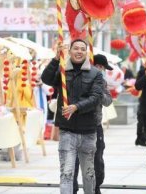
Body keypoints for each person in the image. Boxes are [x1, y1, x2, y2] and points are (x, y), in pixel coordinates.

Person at [41, 39, 104, 194]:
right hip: (67, 130)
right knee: (67, 173)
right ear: (69, 51)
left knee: (88, 175)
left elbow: (96, 97)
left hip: (89, 131)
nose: (79, 51)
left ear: (87, 52)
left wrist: (76, 107)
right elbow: (46, 79)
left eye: (83, 49)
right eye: (76, 48)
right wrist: (56, 58)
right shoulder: (62, 70)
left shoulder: (95, 73)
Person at [73, 54, 113, 194]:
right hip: (77, 125)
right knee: (75, 160)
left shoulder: (102, 82)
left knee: (97, 158)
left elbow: (108, 101)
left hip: (95, 125)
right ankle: (73, 188)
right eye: (100, 66)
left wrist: (99, 92)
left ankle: (96, 187)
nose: (101, 70)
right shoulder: (80, 77)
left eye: (103, 68)